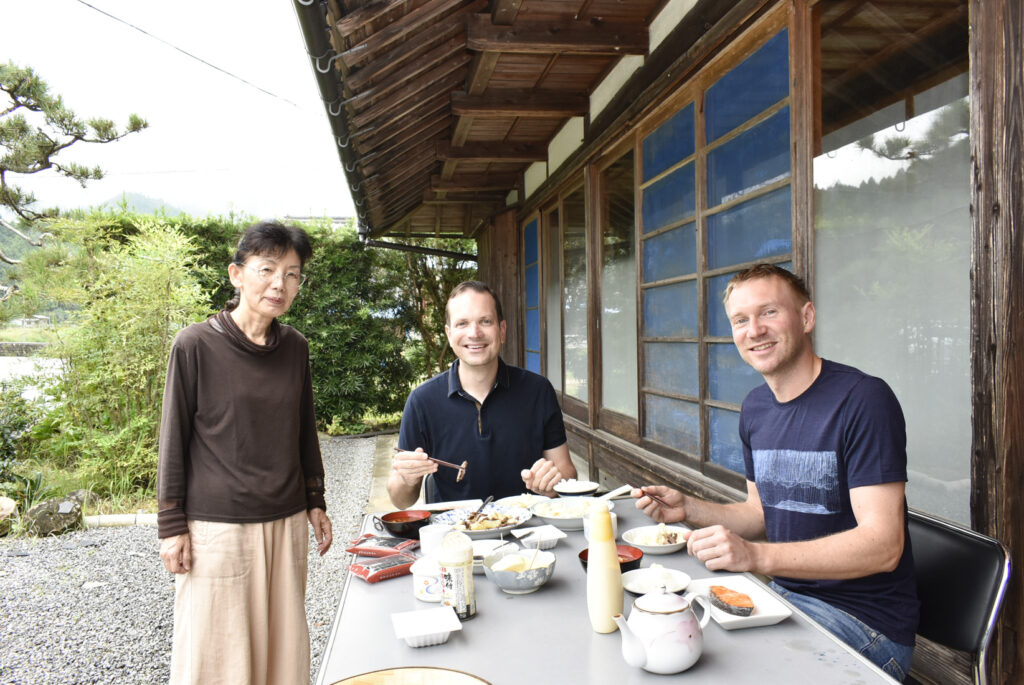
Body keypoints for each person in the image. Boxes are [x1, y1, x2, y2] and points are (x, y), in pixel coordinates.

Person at [632, 263, 918, 681]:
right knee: (669, 642)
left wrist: (756, 556)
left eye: (769, 312)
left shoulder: (863, 400)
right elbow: (760, 513)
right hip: (783, 599)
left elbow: (884, 546)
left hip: (863, 621)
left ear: (806, 317)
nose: (755, 330)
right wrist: (688, 509)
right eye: (740, 320)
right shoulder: (755, 407)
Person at [157, 221, 333, 685]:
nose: (279, 284)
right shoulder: (194, 344)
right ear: (236, 274)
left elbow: (304, 428)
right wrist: (171, 524)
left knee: (281, 653)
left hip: (285, 520)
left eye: (292, 274)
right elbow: (173, 437)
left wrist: (315, 499)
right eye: (267, 269)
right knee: (218, 655)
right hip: (219, 527)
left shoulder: (295, 347)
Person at [388, 280, 576, 508]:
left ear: (502, 330)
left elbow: (568, 473)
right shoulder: (422, 401)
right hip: (455, 528)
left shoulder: (538, 391)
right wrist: (407, 479)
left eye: (485, 321)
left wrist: (553, 482)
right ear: (449, 334)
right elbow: (400, 501)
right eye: (462, 323)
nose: (474, 333)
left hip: (529, 526)